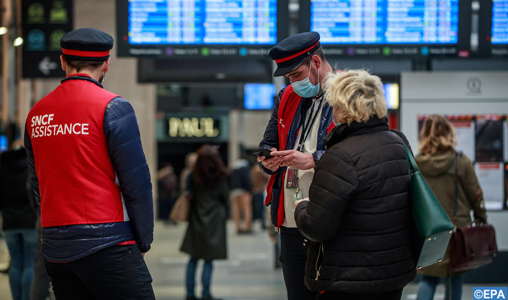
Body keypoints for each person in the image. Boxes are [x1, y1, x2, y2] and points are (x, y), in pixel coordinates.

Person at [24, 28, 155, 299]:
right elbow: (136, 183)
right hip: (109, 242)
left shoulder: (36, 114)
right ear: (106, 63)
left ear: (62, 62)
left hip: (56, 248)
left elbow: (36, 182)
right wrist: (143, 238)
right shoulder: (114, 108)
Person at [294, 70, 416, 299]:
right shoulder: (399, 143)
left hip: (349, 278)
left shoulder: (340, 156)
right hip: (393, 273)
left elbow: (317, 227)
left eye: (334, 105)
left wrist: (301, 206)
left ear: (343, 108)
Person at [257, 31, 336, 299]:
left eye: (295, 75)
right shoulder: (286, 97)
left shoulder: (348, 96)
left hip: (332, 222)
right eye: (288, 77)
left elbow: (361, 155)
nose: (292, 82)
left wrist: (313, 159)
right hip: (291, 222)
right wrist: (268, 160)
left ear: (315, 61)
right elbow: (268, 143)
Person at [415, 115, 488, 300]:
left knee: (428, 278)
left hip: (429, 231)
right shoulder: (460, 162)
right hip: (457, 231)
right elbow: (476, 195)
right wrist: (481, 218)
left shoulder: (417, 162)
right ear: (449, 133)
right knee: (455, 278)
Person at [180, 145, 229, 300]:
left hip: (196, 219)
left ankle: (189, 294)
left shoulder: (193, 176)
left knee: (193, 258)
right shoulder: (220, 176)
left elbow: (188, 195)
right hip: (215, 219)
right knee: (209, 259)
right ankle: (206, 293)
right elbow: (225, 197)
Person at [0, 140, 37, 300]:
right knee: (29, 264)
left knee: (15, 264)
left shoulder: (2, 166)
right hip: (30, 221)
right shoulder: (31, 166)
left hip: (9, 222)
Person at [230, 155, 253, 234]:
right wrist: (249, 189)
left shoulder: (233, 168)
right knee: (246, 209)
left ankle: (238, 227)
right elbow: (247, 180)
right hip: (244, 191)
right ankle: (247, 227)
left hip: (234, 191)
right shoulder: (245, 168)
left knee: (236, 209)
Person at [251, 162, 270, 230]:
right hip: (260, 190)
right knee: (261, 208)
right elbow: (267, 177)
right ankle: (262, 223)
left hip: (254, 190)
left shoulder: (253, 169)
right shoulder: (259, 170)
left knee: (256, 207)